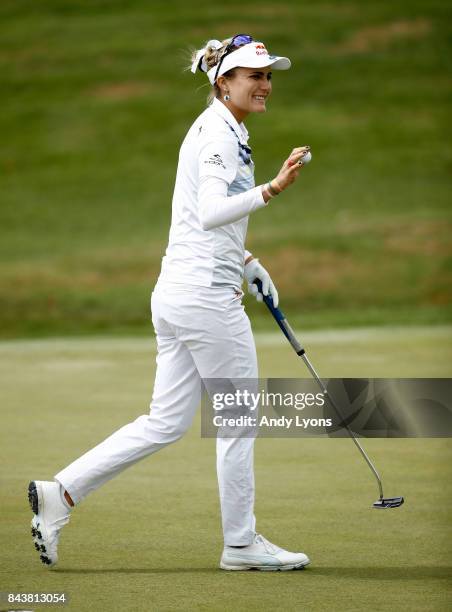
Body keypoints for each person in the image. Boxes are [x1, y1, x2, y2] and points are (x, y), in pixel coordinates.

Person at [29, 34, 311, 571]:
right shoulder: (218, 136)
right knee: (238, 418)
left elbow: (197, 221)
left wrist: (247, 261)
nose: (266, 84)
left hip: (183, 291)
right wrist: (273, 188)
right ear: (222, 82)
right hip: (205, 300)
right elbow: (209, 211)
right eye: (254, 76)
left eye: (269, 75)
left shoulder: (224, 129)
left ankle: (59, 493)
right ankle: (241, 543)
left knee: (165, 421)